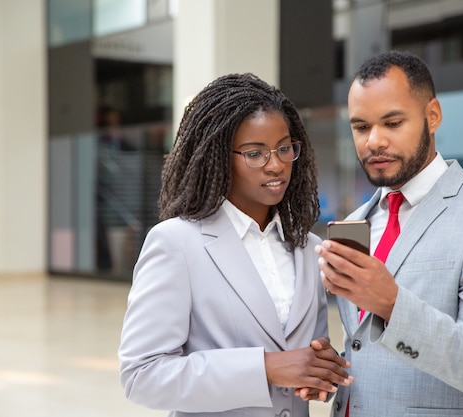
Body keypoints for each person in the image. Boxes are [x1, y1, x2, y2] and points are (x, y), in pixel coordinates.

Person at [314, 51, 463, 416]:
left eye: (392, 123)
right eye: (361, 126)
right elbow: (369, 352)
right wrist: (330, 367)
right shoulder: (357, 221)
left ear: (432, 116)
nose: (373, 141)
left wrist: (391, 303)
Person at [118, 73, 352, 417]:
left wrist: (319, 370)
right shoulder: (176, 243)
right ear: (218, 157)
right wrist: (266, 368)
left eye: (284, 148)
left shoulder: (307, 248)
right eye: (255, 153)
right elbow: (142, 374)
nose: (276, 165)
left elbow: (301, 360)